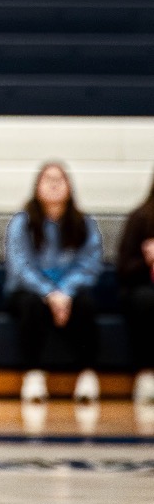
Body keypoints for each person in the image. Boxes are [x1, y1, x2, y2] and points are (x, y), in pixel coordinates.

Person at [4, 163, 105, 407]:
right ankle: (34, 375)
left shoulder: (83, 224)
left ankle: (87, 375)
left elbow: (89, 264)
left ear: (69, 187)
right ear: (37, 187)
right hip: (30, 291)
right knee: (31, 305)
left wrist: (65, 293)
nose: (53, 184)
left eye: (60, 179)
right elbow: (20, 267)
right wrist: (49, 294)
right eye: (47, 179)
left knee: (86, 304)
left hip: (68, 292)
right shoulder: (21, 223)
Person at [115, 172, 154, 409]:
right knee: (145, 299)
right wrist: (147, 260)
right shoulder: (140, 218)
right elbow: (124, 269)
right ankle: (147, 374)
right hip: (143, 289)